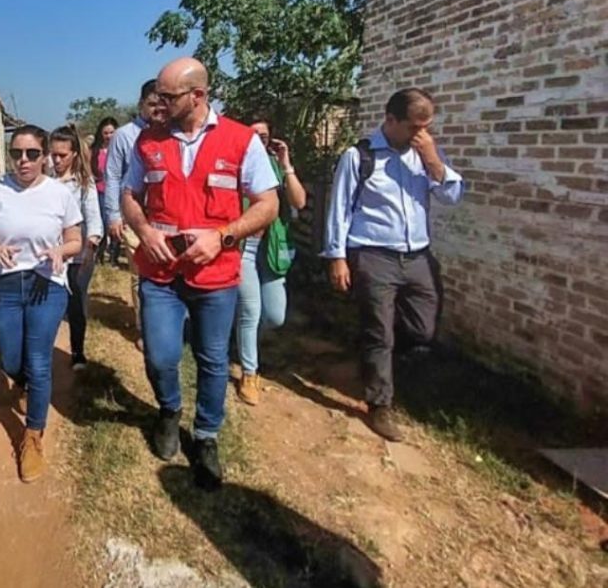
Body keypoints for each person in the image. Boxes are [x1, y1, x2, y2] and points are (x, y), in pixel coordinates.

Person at [122, 58, 279, 490]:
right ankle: (169, 409)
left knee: (212, 360)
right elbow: (129, 195)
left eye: (168, 96)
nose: (159, 103)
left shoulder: (241, 140)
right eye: (157, 95)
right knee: (160, 355)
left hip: (215, 275)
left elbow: (268, 204)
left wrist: (223, 236)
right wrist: (145, 230)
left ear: (198, 96)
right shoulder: (148, 141)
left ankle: (206, 435)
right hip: (160, 273)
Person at [323, 88, 464, 442]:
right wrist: (337, 257)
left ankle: (373, 358)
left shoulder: (425, 154)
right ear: (390, 120)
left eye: (427, 126)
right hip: (374, 256)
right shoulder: (359, 156)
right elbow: (339, 209)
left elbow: (452, 195)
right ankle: (379, 404)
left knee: (422, 330)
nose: (422, 133)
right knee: (380, 332)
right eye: (414, 126)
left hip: (417, 257)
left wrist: (433, 160)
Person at [0, 125, 83, 482]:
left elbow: (76, 241)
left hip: (46, 285)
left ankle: (33, 435)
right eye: (16, 153)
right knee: (10, 358)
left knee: (38, 360)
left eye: (32, 153)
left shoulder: (60, 194)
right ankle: (23, 383)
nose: (23, 160)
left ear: (45, 156)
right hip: (5, 285)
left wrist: (60, 251)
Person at [233, 119, 307, 406]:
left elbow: (299, 202)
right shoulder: (236, 164)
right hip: (245, 247)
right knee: (250, 310)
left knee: (275, 316)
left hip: (273, 248)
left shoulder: (275, 166)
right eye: (253, 135)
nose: (259, 141)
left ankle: (242, 339)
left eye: (264, 136)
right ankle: (249, 372)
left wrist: (287, 165)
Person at [103, 79, 166, 341]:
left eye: (161, 104)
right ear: (141, 104)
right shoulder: (124, 136)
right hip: (133, 216)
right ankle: (144, 330)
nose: (157, 109)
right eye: (151, 104)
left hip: (165, 216)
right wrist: (113, 215)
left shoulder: (169, 132)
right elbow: (112, 176)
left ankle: (167, 325)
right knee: (140, 273)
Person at [50, 125, 104, 370]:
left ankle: (77, 351)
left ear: (73, 154)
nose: (57, 160)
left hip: (78, 254)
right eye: (53, 154)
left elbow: (93, 216)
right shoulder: (45, 182)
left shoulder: (83, 183)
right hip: (50, 253)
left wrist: (92, 241)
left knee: (76, 302)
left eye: (62, 155)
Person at [90, 116, 119, 264]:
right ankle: (99, 254)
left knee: (115, 224)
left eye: (112, 132)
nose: (109, 136)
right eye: (106, 133)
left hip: (117, 193)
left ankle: (114, 255)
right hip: (100, 192)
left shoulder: (120, 150)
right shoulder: (95, 152)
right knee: (101, 223)